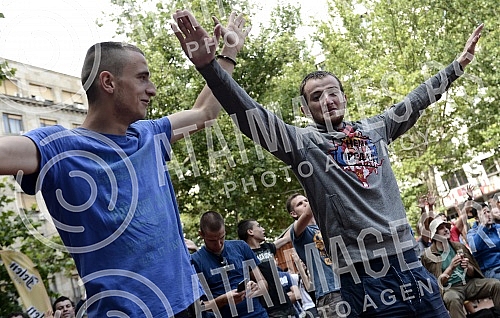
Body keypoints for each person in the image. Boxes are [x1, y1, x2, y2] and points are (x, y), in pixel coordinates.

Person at [172, 9, 483, 317]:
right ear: (306, 111)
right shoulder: (303, 144)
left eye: (333, 92)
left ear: (344, 98)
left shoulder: (376, 129)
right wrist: (210, 67)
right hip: (367, 283)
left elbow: (415, 100)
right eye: (316, 96)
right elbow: (250, 114)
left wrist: (458, 65)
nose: (327, 100)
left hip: (414, 269)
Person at [0, 12, 249, 317]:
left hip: (189, 304)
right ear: (108, 82)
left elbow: (206, 112)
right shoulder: (58, 147)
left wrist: (226, 53)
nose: (152, 89)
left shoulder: (150, 134)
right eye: (142, 77)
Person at [191, 211, 269, 317]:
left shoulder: (241, 247)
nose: (218, 244)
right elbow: (199, 307)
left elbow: (263, 282)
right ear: (201, 234)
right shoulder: (195, 261)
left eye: (221, 237)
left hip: (258, 314)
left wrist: (256, 288)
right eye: (212, 240)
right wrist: (223, 300)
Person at [421, 218, 500, 318]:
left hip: (469, 284)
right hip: (450, 288)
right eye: (441, 228)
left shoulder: (459, 246)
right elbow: (437, 283)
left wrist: (468, 267)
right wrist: (451, 267)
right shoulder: (428, 256)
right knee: (451, 299)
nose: (446, 230)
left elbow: (473, 274)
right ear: (434, 235)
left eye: (447, 227)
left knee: (496, 284)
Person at [285, 194, 342, 317]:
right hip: (330, 292)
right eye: (300, 204)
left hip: (348, 285)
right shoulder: (298, 232)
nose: (305, 203)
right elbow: (307, 214)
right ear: (294, 214)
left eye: (306, 200)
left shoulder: (326, 227)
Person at [238, 219, 296, 317]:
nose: (263, 229)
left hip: (286, 304)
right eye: (259, 226)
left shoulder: (267, 248)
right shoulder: (245, 256)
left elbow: (287, 238)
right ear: (250, 231)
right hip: (270, 309)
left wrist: (302, 216)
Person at [467, 202, 500, 279]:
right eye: (484, 213)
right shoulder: (472, 233)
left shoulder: (497, 228)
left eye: (488, 212)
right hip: (491, 270)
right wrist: (483, 227)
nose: (487, 215)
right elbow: (474, 247)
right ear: (477, 219)